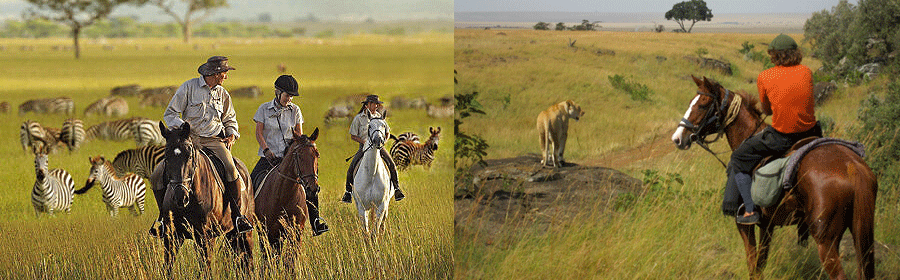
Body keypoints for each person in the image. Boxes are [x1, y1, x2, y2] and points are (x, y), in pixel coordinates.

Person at [724, 34, 822, 225]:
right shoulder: (806, 71)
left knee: (738, 157)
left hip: (782, 138)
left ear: (774, 56)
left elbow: (767, 110)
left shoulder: (765, 76)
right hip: (811, 133)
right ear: (796, 53)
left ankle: (749, 210)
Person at [159, 55, 253, 233]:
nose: (226, 76)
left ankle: (238, 216)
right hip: (189, 140)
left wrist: (232, 134)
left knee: (232, 170)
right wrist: (184, 129)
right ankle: (163, 220)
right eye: (225, 73)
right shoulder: (188, 87)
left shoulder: (223, 94)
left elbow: (230, 119)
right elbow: (170, 114)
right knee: (158, 174)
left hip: (214, 141)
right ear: (216, 73)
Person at [250, 75, 329, 236]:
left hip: (290, 158)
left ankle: (316, 221)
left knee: (310, 183)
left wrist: (294, 150)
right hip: (268, 158)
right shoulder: (264, 109)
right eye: (287, 95)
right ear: (277, 93)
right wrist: (266, 150)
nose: (290, 99)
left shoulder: (295, 110)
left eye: (292, 96)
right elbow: (259, 133)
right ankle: (246, 219)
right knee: (251, 183)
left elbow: (298, 135)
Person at [340, 95, 405, 203]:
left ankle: (397, 189)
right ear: (367, 105)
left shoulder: (379, 116)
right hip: (364, 147)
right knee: (351, 168)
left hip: (379, 146)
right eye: (375, 104)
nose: (376, 106)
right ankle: (348, 192)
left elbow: (387, 132)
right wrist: (364, 142)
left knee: (392, 164)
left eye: (377, 104)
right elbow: (353, 135)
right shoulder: (358, 118)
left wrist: (384, 139)